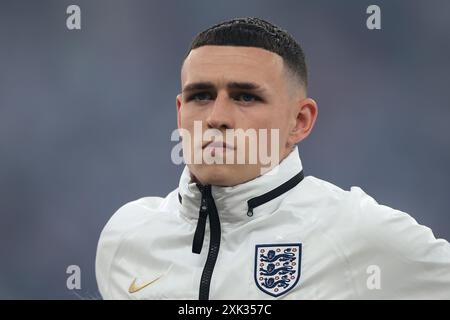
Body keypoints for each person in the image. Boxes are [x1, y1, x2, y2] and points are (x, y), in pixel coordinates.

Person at [95, 17, 450, 299]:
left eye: (245, 97)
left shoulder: (359, 234)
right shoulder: (126, 238)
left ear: (300, 121)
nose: (217, 116)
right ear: (179, 113)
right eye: (201, 95)